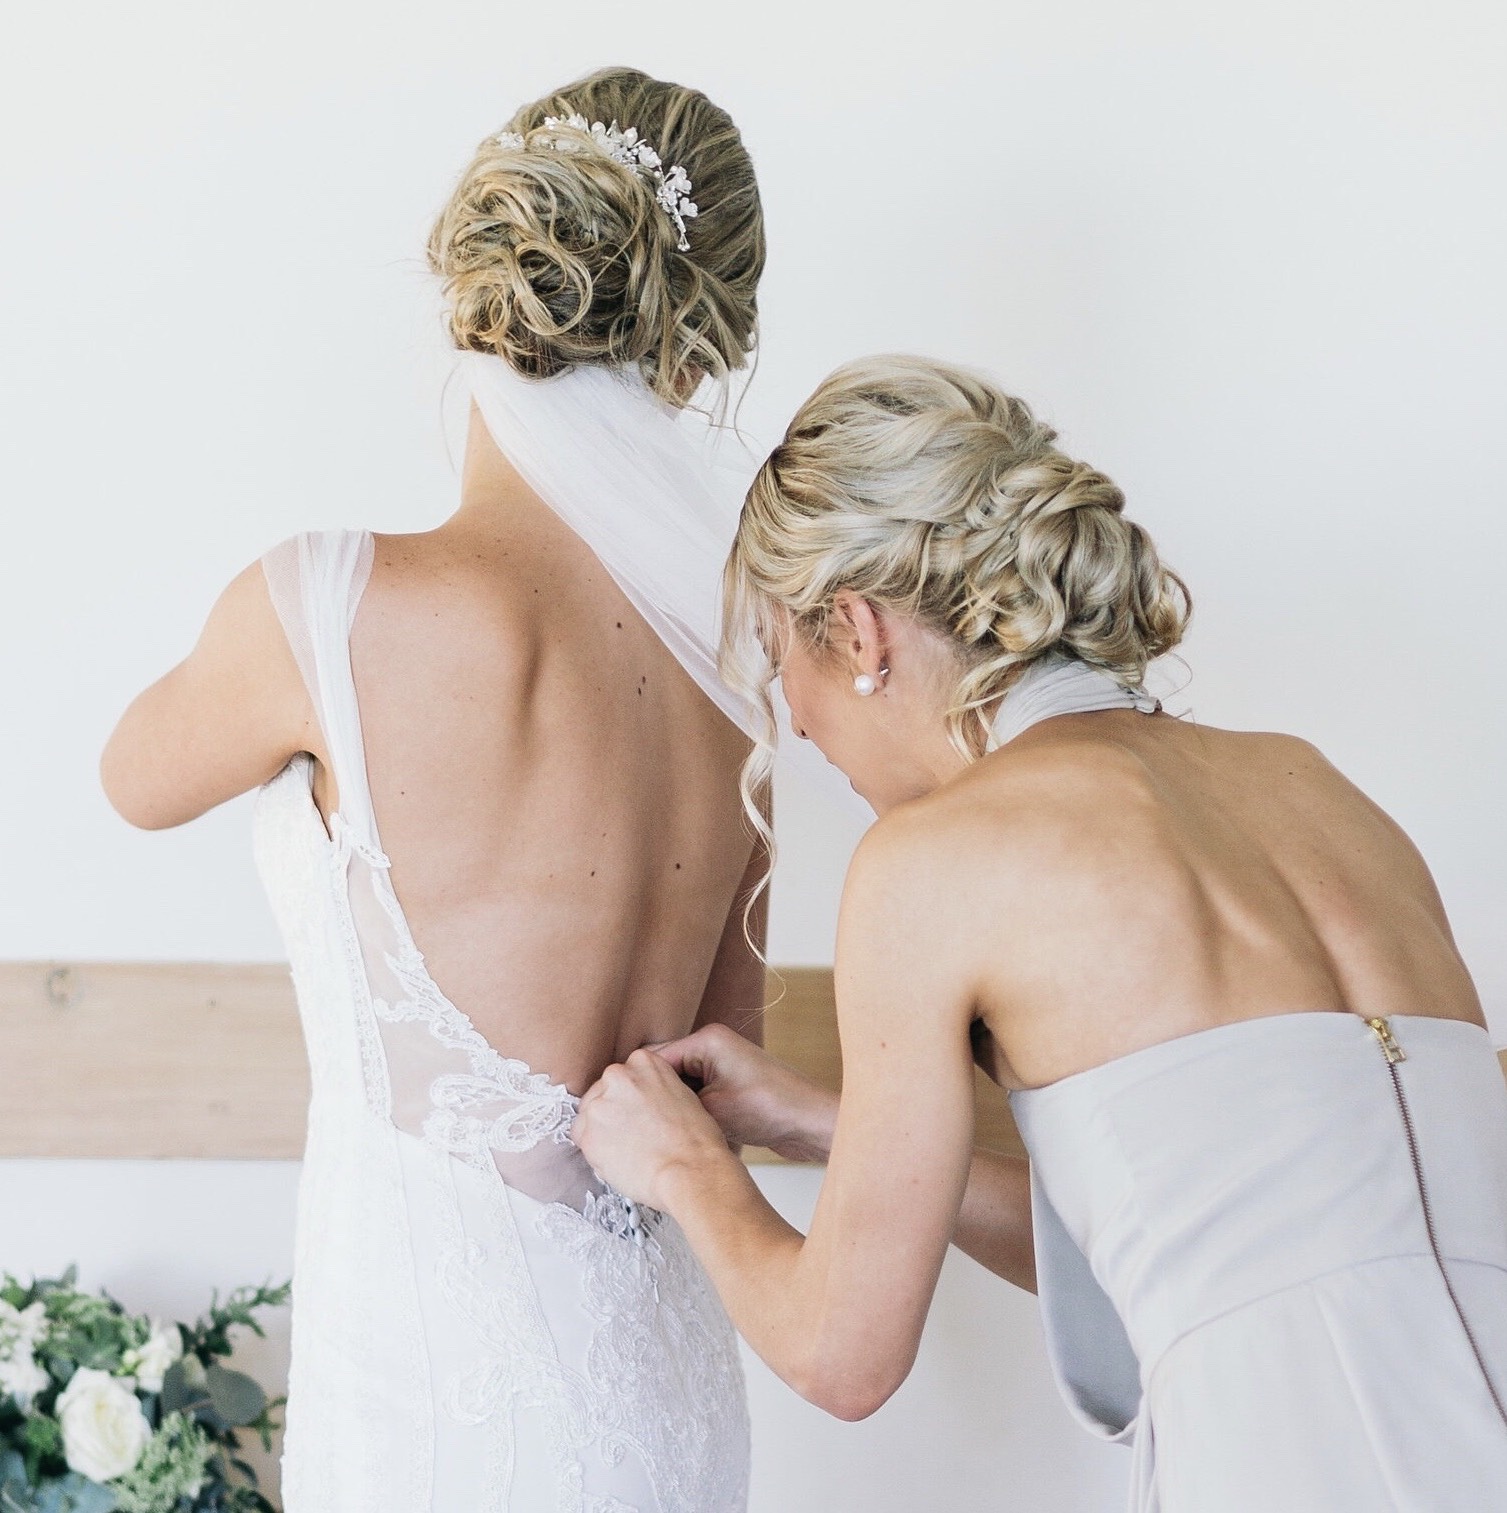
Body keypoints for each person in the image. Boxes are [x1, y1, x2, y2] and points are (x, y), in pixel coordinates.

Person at [573, 355, 1507, 1510]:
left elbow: (839, 1354)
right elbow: (1205, 1246)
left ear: (857, 632)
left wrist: (684, 1168)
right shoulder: (1319, 792)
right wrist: (819, 1124)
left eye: (783, 662)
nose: (797, 726)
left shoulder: (932, 863)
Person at [101, 66, 770, 1513]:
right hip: (666, 1389)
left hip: (431, 1397)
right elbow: (729, 1054)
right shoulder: (741, 673)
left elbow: (132, 779)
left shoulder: (332, 603)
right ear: (699, 341)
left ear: (473, 281)